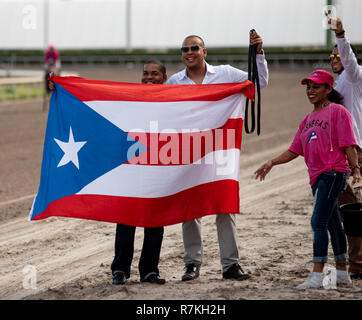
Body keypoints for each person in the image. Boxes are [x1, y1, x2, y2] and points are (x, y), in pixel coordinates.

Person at [167, 32, 269, 281]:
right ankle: (192, 264)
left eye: (194, 47)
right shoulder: (174, 82)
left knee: (225, 206)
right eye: (184, 49)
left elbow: (260, 82)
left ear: (204, 52)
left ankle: (230, 265)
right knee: (190, 209)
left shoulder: (226, 73)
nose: (189, 52)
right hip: (188, 153)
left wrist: (258, 54)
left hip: (220, 151)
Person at [254, 69, 361, 289]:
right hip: (317, 176)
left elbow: (348, 144)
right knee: (332, 223)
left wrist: (356, 169)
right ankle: (342, 272)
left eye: (316, 87)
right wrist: (271, 162)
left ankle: (317, 274)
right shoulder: (307, 120)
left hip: (333, 173)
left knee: (317, 222)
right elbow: (294, 150)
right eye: (308, 87)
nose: (310, 91)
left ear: (328, 89)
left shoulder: (338, 112)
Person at [111, 59, 168, 285]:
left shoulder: (174, 102)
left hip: (160, 167)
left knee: (155, 220)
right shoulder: (130, 98)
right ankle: (120, 269)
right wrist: (59, 88)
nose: (149, 77)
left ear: (164, 78)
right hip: (131, 167)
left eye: (154, 74)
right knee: (126, 219)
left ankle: (149, 270)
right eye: (145, 73)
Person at [327, 14, 362, 279]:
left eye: (338, 56)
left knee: (354, 209)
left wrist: (340, 35)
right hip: (337, 152)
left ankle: (358, 265)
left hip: (355, 150)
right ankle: (356, 264)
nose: (335, 60)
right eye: (331, 57)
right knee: (347, 210)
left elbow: (350, 60)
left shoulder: (354, 77)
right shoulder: (338, 82)